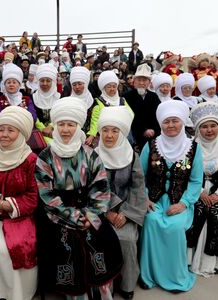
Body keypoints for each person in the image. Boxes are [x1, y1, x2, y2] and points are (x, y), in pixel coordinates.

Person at [35, 97, 122, 299]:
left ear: (78, 125)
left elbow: (101, 188)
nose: (66, 129)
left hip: (90, 212)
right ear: (55, 126)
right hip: (58, 216)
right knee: (67, 252)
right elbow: (47, 195)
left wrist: (90, 216)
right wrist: (74, 218)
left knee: (101, 248)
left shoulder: (91, 154)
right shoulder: (45, 157)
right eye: (62, 124)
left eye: (71, 124)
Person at [138, 100, 203, 292]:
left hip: (181, 200)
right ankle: (148, 274)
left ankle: (175, 277)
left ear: (182, 121)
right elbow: (139, 175)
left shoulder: (192, 149)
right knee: (151, 221)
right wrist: (145, 198)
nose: (171, 125)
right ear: (160, 124)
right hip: (153, 199)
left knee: (174, 227)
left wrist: (184, 203)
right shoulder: (151, 146)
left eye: (175, 120)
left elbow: (196, 181)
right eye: (166, 121)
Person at [0, 106, 38, 299]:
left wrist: (10, 205)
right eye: (1, 129)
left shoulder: (30, 160)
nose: (4, 135)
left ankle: (20, 294)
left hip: (20, 218)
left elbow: (33, 197)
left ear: (21, 133)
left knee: (17, 246)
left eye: (11, 130)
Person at [96, 106, 146, 299]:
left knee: (126, 239)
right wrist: (107, 212)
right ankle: (103, 283)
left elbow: (138, 187)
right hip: (98, 210)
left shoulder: (131, 155)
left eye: (115, 130)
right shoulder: (93, 155)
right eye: (105, 130)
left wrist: (125, 213)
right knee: (99, 239)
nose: (109, 135)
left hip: (127, 210)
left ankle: (127, 284)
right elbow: (91, 188)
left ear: (122, 132)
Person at [186, 102, 218, 277]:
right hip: (194, 190)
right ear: (198, 129)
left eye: (213, 126)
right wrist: (199, 192)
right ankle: (189, 259)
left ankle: (213, 260)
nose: (209, 130)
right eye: (205, 126)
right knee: (198, 211)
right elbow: (183, 172)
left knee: (217, 212)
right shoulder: (189, 148)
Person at [87, 70, 133, 146]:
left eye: (114, 86)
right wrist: (92, 134)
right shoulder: (99, 102)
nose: (112, 89)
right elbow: (95, 120)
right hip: (106, 137)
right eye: (109, 87)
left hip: (122, 135)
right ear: (103, 88)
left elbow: (130, 114)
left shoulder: (122, 101)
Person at [124, 64, 162, 151]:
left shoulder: (154, 96)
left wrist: (153, 130)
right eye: (139, 80)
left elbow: (158, 115)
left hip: (153, 135)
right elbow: (128, 116)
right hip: (134, 136)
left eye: (144, 80)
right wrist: (143, 130)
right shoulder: (126, 97)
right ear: (134, 81)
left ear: (149, 82)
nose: (141, 83)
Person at [33, 63, 60, 144]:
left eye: (48, 81)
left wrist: (51, 126)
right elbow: (33, 116)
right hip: (38, 134)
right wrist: (43, 129)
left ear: (53, 82)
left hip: (57, 131)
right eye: (42, 80)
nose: (45, 83)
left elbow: (60, 115)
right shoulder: (33, 97)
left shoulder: (59, 97)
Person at [68, 66, 95, 132]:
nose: (77, 87)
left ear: (85, 84)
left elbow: (95, 120)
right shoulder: (68, 101)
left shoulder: (92, 101)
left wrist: (92, 134)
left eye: (80, 84)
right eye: (74, 85)